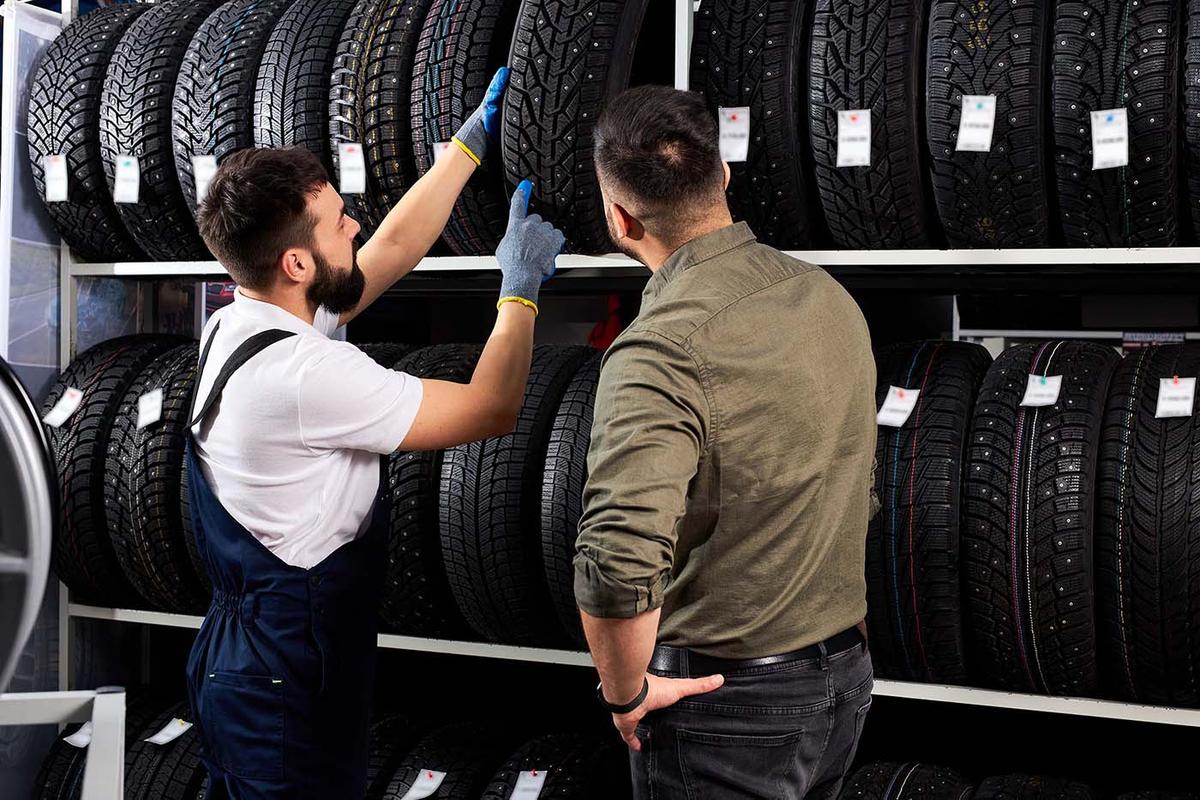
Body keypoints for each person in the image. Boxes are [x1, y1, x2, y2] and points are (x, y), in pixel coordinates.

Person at [184, 69, 564, 799]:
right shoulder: (304, 374)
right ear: (296, 263)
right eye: (335, 222)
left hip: (249, 660)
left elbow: (382, 254)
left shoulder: (243, 322)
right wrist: (518, 291)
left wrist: (466, 148)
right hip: (284, 683)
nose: (353, 222)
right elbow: (490, 409)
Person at [574, 85, 878, 799]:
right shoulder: (827, 297)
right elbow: (851, 483)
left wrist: (625, 695)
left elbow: (618, 562)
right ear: (724, 177)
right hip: (841, 680)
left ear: (620, 218)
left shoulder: (660, 350)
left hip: (727, 707)